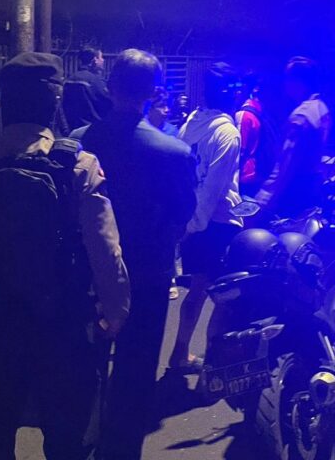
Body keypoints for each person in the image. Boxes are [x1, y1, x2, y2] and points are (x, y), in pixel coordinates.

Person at [0, 53, 130, 460]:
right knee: (68, 443)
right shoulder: (78, 165)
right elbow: (106, 251)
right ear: (55, 102)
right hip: (61, 330)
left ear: (2, 102)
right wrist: (115, 312)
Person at [79, 49, 197, 460]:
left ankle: (81, 440)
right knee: (137, 367)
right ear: (154, 93)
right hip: (147, 273)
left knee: (85, 362)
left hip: (87, 271)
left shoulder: (79, 142)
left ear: (110, 87)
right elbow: (184, 214)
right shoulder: (173, 153)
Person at [167, 63, 243, 372]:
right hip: (217, 224)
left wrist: (186, 225)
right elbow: (214, 189)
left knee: (197, 292)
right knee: (227, 298)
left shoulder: (190, 125)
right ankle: (214, 366)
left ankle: (180, 352)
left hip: (192, 220)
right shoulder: (227, 134)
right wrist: (197, 225)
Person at [255, 57, 331, 221]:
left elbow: (286, 163)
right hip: (311, 187)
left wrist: (264, 197)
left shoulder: (301, 116)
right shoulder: (320, 107)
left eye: (289, 78)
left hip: (293, 194)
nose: (285, 84)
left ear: (299, 82)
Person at [235, 74, 274, 196]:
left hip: (243, 175)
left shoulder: (244, 115)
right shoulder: (259, 110)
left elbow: (239, 151)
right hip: (256, 172)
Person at [63, 46, 112, 130]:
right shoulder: (95, 81)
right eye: (101, 57)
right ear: (95, 60)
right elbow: (109, 103)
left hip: (72, 129)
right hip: (92, 129)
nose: (103, 60)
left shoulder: (69, 79)